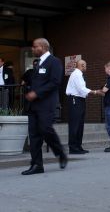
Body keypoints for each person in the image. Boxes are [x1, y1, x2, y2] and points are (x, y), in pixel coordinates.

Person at [22, 38, 67, 175]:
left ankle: (60, 153)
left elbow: (55, 82)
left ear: (42, 47)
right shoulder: (37, 64)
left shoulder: (54, 62)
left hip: (46, 104)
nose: (32, 49)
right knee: (34, 135)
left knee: (45, 129)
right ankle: (37, 165)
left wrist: (36, 93)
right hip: (33, 106)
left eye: (35, 47)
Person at [66, 60, 97, 154]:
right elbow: (81, 89)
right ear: (82, 65)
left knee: (80, 124)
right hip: (75, 100)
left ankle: (78, 146)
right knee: (75, 124)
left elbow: (82, 90)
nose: (86, 67)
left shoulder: (79, 74)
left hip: (80, 100)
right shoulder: (76, 74)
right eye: (85, 65)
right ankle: (73, 147)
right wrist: (95, 92)